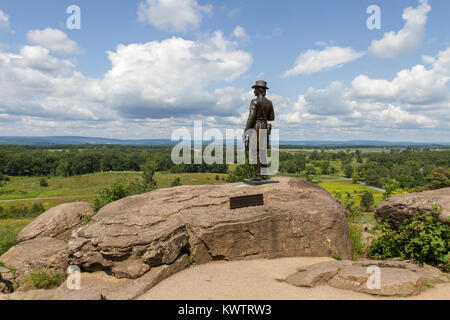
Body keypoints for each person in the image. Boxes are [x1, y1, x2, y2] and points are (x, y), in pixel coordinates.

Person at [243, 80, 275, 181]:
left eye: (255, 89)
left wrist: (246, 131)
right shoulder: (269, 103)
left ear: (259, 90)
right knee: (263, 152)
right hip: (265, 127)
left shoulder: (255, 102)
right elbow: (272, 117)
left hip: (256, 127)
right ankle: (264, 175)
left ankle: (257, 175)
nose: (253, 92)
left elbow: (251, 117)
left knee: (255, 152)